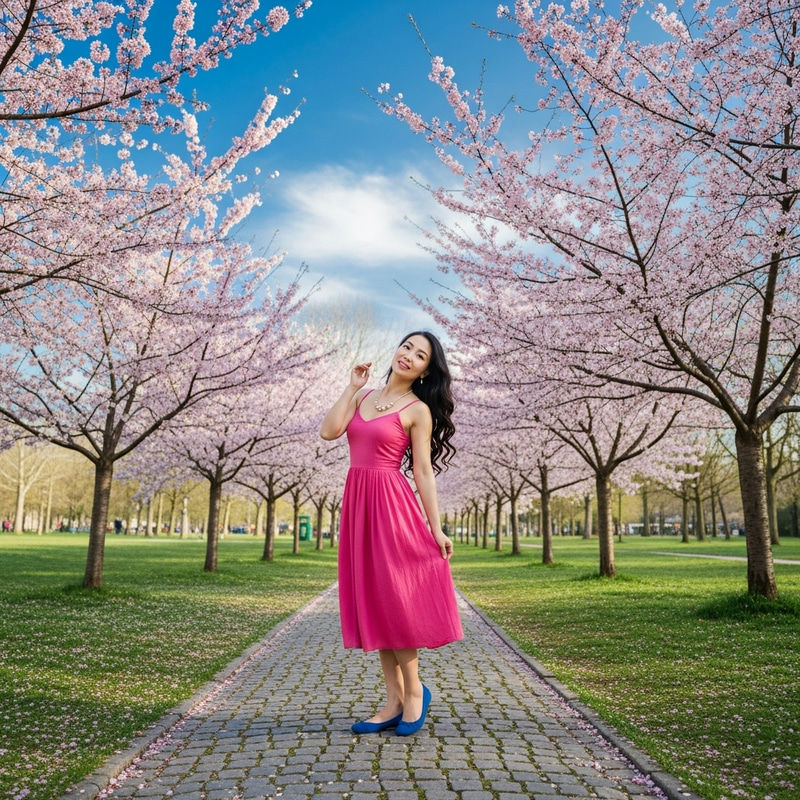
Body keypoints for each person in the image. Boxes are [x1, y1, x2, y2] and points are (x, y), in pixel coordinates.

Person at [320, 330, 463, 736]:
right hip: (359, 507)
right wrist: (351, 388)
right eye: (407, 347)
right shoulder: (364, 397)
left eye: (420, 356)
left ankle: (415, 692)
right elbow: (329, 431)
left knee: (397, 600)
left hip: (391, 506)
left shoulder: (417, 410)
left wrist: (435, 527)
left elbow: (422, 471)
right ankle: (393, 700)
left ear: (424, 371)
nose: (409, 356)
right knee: (377, 602)